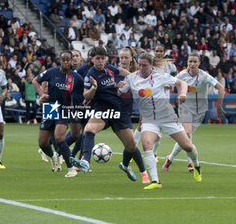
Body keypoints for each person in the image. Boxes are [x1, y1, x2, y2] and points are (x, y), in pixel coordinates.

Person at [119, 52, 202, 189]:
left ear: (151, 65)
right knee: (147, 145)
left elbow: (182, 83)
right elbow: (119, 92)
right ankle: (155, 181)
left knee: (187, 146)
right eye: (139, 65)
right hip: (148, 119)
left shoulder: (160, 76)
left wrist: (182, 93)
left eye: (144, 65)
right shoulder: (131, 78)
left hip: (167, 116)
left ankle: (197, 165)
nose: (141, 68)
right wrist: (118, 87)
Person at [69, 46, 145, 184]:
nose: (100, 61)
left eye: (102, 58)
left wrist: (133, 79)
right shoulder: (90, 75)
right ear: (92, 59)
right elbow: (86, 95)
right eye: (97, 59)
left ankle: (142, 173)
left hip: (119, 111)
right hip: (103, 111)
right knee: (88, 129)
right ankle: (85, 161)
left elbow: (121, 71)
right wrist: (94, 87)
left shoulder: (110, 69)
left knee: (131, 146)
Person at [163, 52, 225, 172]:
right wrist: (168, 87)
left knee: (186, 137)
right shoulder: (182, 75)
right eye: (190, 61)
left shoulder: (204, 76)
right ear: (187, 62)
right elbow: (172, 84)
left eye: (195, 61)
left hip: (200, 110)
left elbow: (220, 88)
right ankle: (190, 163)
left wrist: (219, 106)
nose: (192, 64)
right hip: (185, 108)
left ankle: (169, 158)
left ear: (199, 63)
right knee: (187, 133)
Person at [32, 51, 84, 178]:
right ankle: (54, 156)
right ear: (60, 61)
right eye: (63, 60)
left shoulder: (77, 78)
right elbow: (35, 81)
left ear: (72, 61)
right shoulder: (52, 72)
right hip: (50, 107)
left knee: (59, 137)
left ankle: (71, 169)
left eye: (68, 60)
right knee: (42, 143)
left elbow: (78, 97)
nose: (65, 62)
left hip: (64, 109)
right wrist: (41, 94)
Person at [115, 46, 150, 183]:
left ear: (131, 59)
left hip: (123, 113)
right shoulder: (114, 72)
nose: (123, 60)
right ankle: (76, 161)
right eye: (121, 57)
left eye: (125, 57)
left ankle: (135, 170)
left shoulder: (137, 75)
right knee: (85, 132)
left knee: (131, 144)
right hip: (109, 112)